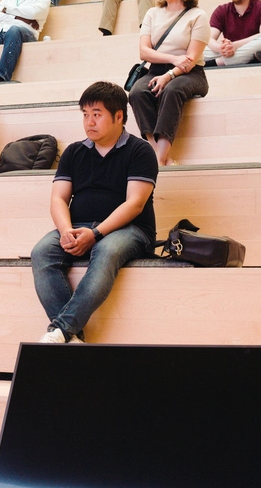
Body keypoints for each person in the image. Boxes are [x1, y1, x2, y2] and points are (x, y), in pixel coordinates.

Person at [30, 81, 158, 343]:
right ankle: (72, 337)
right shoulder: (74, 152)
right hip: (78, 225)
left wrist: (96, 233)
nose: (89, 122)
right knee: (41, 252)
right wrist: (66, 231)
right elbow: (58, 198)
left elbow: (135, 204)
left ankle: (62, 330)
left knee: (106, 250)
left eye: (97, 114)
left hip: (130, 230)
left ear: (119, 116)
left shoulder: (140, 150)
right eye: (85, 114)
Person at [128, 0, 211, 166]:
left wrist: (169, 75)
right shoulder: (152, 13)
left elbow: (191, 59)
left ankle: (159, 159)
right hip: (157, 69)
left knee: (172, 89)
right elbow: (144, 52)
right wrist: (173, 59)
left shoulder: (198, 15)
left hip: (190, 73)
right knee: (137, 92)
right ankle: (159, 155)